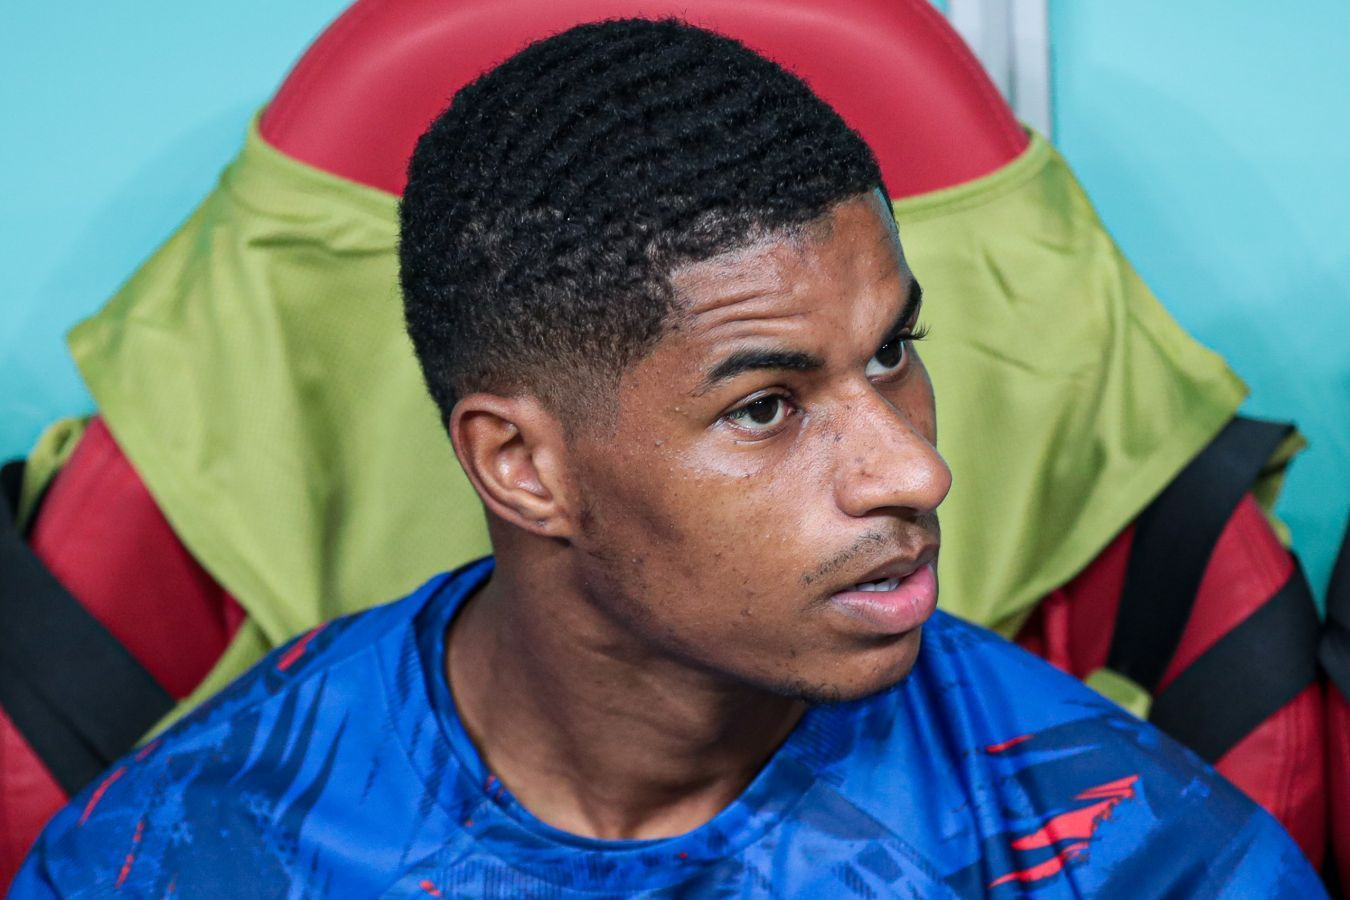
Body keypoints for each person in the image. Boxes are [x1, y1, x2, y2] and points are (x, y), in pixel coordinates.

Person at [12, 19, 1323, 898]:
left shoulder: (1130, 855)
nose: (911, 474)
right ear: (521, 467)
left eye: (890, 354)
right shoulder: (185, 854)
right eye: (764, 407)